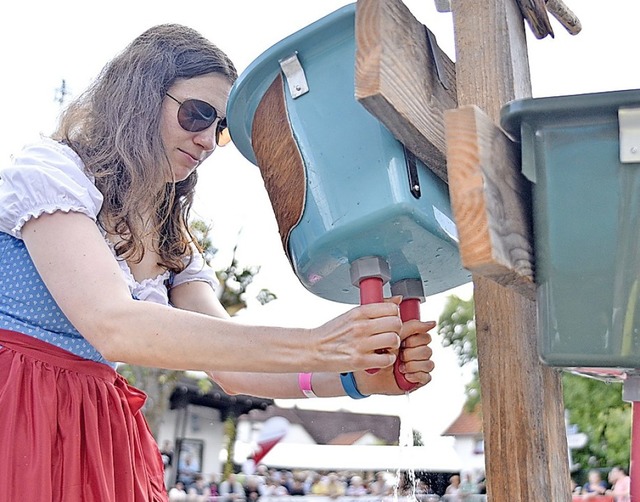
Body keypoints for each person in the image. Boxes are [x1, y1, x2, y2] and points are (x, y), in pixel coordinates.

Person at [0, 22, 436, 501]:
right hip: (18, 408)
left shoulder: (171, 234)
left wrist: (357, 376)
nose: (208, 141)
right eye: (197, 114)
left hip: (98, 429)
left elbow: (230, 370)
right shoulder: (54, 170)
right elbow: (113, 324)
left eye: (220, 128)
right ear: (139, 97)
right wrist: (321, 343)